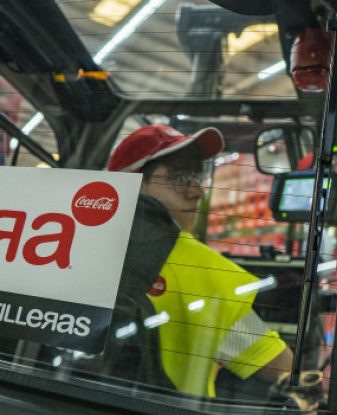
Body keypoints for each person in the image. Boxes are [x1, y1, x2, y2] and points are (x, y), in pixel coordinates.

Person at [107, 124, 294, 397]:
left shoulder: (62, 246)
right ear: (135, 182)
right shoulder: (203, 267)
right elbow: (287, 372)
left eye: (198, 174)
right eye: (179, 176)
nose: (198, 190)